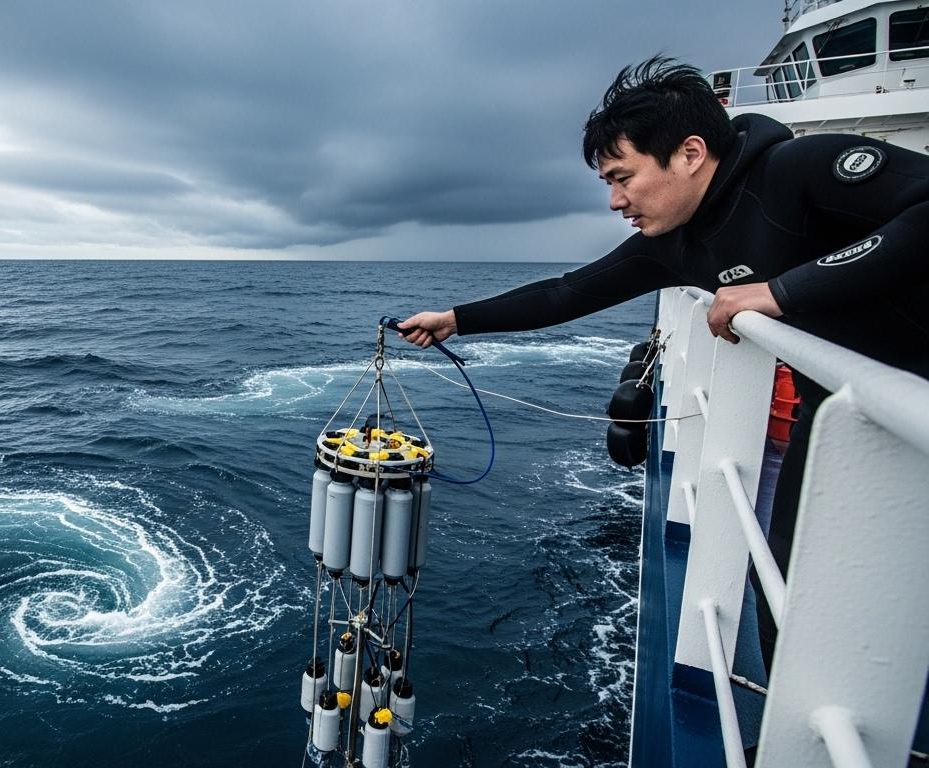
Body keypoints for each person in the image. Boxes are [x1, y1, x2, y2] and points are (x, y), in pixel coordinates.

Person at [396, 56, 929, 671]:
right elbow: (567, 293)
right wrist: (455, 319)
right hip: (842, 415)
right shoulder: (672, 243)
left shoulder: (796, 170)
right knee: (786, 574)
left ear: (690, 153)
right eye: (608, 184)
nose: (617, 201)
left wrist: (784, 291)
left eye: (623, 177)